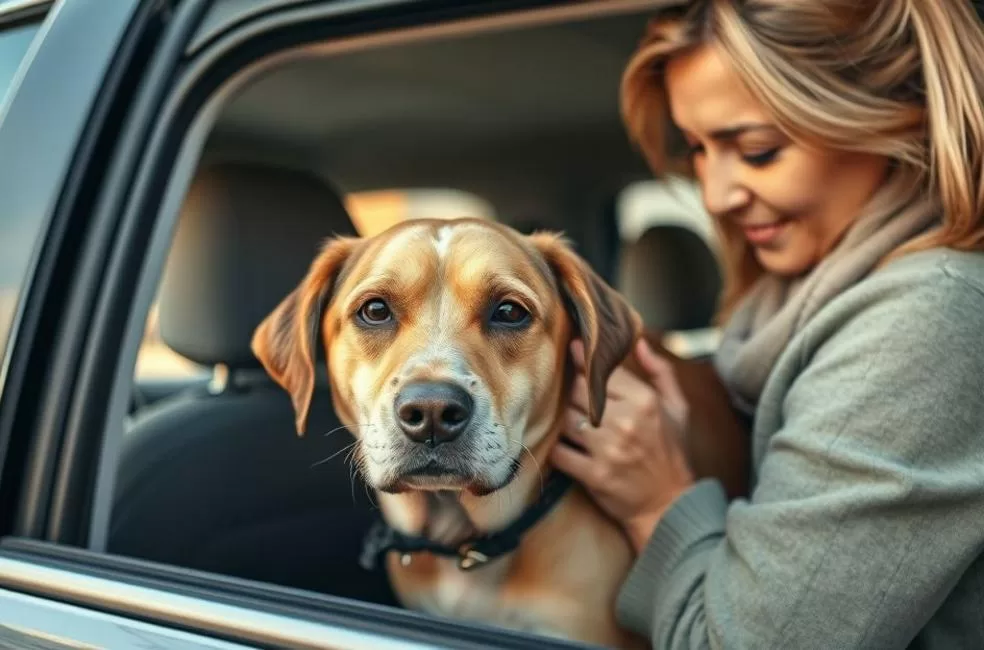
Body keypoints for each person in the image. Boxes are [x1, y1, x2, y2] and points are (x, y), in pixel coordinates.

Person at [549, 1, 984, 647]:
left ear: (896, 116)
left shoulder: (926, 322)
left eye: (756, 150)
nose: (717, 195)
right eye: (697, 149)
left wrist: (656, 504)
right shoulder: (787, 312)